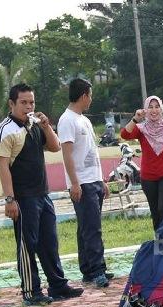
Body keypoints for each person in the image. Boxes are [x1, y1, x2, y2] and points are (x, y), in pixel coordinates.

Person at [0, 83, 83, 306]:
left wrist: (46, 126)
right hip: (23, 197)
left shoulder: (34, 124)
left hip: (43, 193)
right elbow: (3, 167)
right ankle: (31, 291)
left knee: (49, 242)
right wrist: (10, 199)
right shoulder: (4, 131)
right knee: (27, 245)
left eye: (31, 102)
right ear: (11, 104)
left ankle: (58, 285)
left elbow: (55, 147)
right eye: (23, 102)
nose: (28, 106)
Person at [58, 78, 112, 288]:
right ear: (83, 96)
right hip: (81, 183)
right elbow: (67, 155)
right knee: (92, 229)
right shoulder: (67, 120)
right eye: (90, 95)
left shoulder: (85, 120)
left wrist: (102, 180)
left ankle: (88, 269)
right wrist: (74, 183)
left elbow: (93, 152)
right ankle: (98, 270)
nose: (91, 99)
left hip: (94, 180)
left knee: (86, 228)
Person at [121, 95, 163, 231]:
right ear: (146, 110)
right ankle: (159, 241)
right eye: (150, 107)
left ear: (161, 109)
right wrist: (136, 118)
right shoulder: (141, 129)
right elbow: (124, 134)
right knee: (155, 211)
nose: (154, 110)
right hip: (148, 178)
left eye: (157, 107)